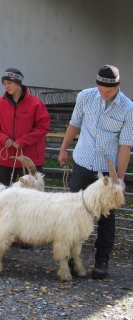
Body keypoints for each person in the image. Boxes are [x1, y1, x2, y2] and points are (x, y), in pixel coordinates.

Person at [58, 65, 133, 279]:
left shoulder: (128, 108)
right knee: (74, 210)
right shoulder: (85, 96)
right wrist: (64, 148)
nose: (103, 94)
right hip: (83, 161)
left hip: (106, 171)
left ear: (117, 86)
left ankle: (102, 262)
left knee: (106, 216)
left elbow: (125, 146)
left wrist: (119, 178)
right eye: (100, 89)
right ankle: (71, 258)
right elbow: (75, 124)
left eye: (107, 91)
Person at [0, 68, 50, 186]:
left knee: (30, 193)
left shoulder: (35, 103)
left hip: (29, 158)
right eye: (4, 84)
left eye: (9, 83)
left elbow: (43, 127)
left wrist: (23, 140)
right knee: (4, 192)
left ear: (18, 82)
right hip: (6, 157)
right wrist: (3, 139)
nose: (6, 86)